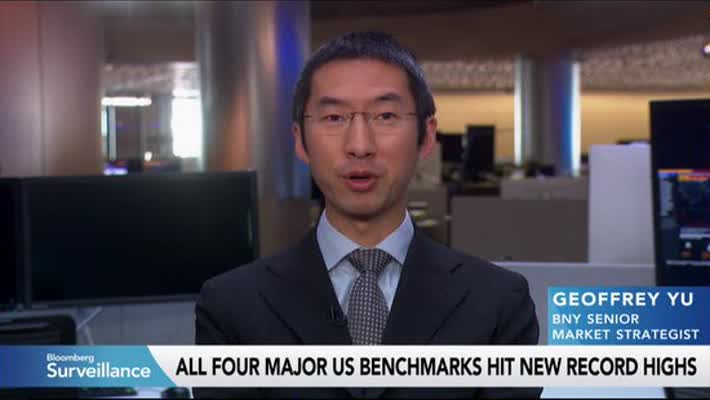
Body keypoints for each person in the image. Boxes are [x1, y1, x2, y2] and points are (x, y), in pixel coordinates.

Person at [194, 31, 541, 399]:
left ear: (426, 136)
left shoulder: (499, 301)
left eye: (386, 115)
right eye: (333, 117)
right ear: (300, 140)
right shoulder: (231, 304)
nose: (359, 146)